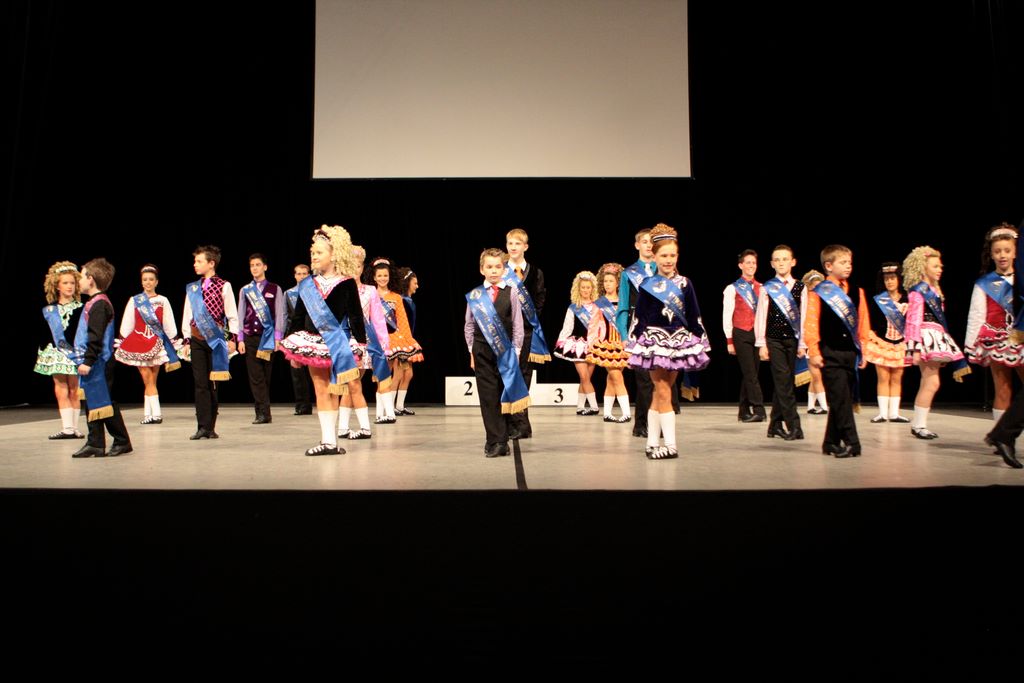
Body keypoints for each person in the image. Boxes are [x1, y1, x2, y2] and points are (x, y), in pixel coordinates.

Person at [624, 223, 710, 459]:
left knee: (661, 391)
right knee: (662, 390)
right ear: (654, 257)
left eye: (672, 255)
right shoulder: (647, 285)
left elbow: (694, 315)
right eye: (664, 255)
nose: (668, 260)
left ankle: (652, 443)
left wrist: (700, 340)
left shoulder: (685, 284)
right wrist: (632, 344)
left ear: (678, 256)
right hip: (654, 342)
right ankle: (670, 445)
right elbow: (640, 317)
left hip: (678, 343)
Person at [280, 225, 367, 456]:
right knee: (320, 390)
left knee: (334, 390)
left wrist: (361, 347)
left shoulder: (347, 282)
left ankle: (332, 441)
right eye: (313, 253)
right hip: (313, 344)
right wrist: (293, 349)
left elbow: (356, 316)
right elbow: (298, 317)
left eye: (319, 252)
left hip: (338, 343)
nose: (314, 256)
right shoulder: (307, 284)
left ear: (334, 255)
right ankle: (328, 440)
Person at [804, 245, 871, 458]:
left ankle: (831, 442)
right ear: (829, 266)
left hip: (850, 352)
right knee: (841, 399)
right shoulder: (819, 292)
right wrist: (814, 351)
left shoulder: (858, 291)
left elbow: (863, 323)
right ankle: (853, 443)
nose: (848, 266)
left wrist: (864, 350)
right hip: (829, 352)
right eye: (843, 262)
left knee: (842, 399)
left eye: (849, 262)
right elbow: (811, 323)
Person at [464, 248, 529, 457]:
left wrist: (516, 352)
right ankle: (495, 441)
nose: (493, 271)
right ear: (482, 269)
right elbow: (469, 325)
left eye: (498, 267)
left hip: (505, 350)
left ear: (504, 269)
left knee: (503, 394)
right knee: (488, 396)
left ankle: (502, 437)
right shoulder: (475, 295)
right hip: (481, 349)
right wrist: (471, 351)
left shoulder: (512, 292)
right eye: (489, 267)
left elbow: (518, 324)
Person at [903, 246, 970, 440]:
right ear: (923, 268)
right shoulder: (918, 291)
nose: (940, 269)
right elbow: (913, 320)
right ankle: (919, 425)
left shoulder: (934, 290)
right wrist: (915, 348)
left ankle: (919, 424)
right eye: (935, 266)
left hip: (936, 337)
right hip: (926, 337)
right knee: (932, 382)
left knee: (929, 382)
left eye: (940, 266)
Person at [70, 258, 132, 457]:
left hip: (99, 361)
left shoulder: (100, 305)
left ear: (91, 279)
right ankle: (95, 442)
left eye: (81, 276)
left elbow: (95, 337)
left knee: (103, 400)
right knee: (94, 401)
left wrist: (88, 361)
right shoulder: (94, 303)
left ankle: (121, 441)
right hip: (95, 360)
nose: (78, 281)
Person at [965, 224, 1024, 424]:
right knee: (1002, 389)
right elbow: (976, 315)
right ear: (991, 254)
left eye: (1007, 250)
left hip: (1021, 338)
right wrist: (970, 345)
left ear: (1015, 252)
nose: (1002, 255)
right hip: (996, 339)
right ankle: (1001, 435)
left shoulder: (1022, 279)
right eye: (997, 251)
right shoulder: (984, 283)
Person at [181, 245, 239, 440]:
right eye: (195, 261)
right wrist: (186, 340)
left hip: (215, 340)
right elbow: (187, 314)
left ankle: (210, 426)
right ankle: (202, 426)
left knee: (213, 383)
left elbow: (232, 314)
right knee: (200, 384)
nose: (195, 264)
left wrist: (232, 338)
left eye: (199, 261)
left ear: (211, 263)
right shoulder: (193, 288)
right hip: (197, 338)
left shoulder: (224, 285)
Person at [114, 264, 180, 424]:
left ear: (156, 282)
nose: (148, 282)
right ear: (141, 281)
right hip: (138, 342)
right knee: (147, 378)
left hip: (156, 341)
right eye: (145, 279)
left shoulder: (163, 300)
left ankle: (152, 415)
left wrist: (172, 340)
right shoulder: (135, 300)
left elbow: (168, 322)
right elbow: (128, 322)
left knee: (151, 380)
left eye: (151, 279)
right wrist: (123, 339)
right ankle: (152, 414)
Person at [754, 245, 807, 440]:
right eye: (777, 260)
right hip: (773, 339)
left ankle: (774, 425)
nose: (781, 263)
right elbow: (761, 316)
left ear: (793, 262)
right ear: (772, 264)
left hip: (793, 339)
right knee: (783, 380)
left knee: (784, 383)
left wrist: (802, 344)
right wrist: (761, 343)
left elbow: (803, 317)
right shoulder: (767, 287)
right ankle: (794, 425)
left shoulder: (801, 287)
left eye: (785, 259)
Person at [338, 245, 390, 440]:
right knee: (350, 385)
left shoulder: (370, 290)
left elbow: (377, 319)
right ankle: (345, 427)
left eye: (358, 266)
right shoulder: (340, 291)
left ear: (362, 268)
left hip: (364, 343)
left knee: (352, 384)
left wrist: (384, 344)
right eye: (351, 266)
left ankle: (357, 427)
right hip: (344, 342)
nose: (355, 270)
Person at [505, 228, 549, 440]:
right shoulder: (500, 270)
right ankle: (510, 421)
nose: (513, 247)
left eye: (517, 243)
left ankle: (521, 423)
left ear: (525, 247)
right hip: (503, 330)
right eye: (510, 243)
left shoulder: (536, 272)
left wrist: (526, 322)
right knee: (506, 373)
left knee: (523, 374)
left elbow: (539, 300)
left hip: (526, 331)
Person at [36, 261, 85, 439]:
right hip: (56, 353)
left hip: (75, 352)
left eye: (72, 283)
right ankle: (67, 428)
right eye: (65, 283)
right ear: (57, 285)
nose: (69, 286)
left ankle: (75, 428)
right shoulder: (49, 309)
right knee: (60, 388)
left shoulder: (82, 308)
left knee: (74, 389)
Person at [237, 253, 286, 424]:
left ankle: (262, 411)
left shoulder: (275, 289)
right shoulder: (245, 290)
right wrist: (240, 338)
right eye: (252, 265)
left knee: (266, 376)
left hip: (268, 338)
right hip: (250, 337)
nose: (255, 268)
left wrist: (278, 337)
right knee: (255, 376)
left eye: (258, 265)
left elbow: (280, 314)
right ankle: (264, 413)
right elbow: (241, 314)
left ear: (265, 267)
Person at [616, 228, 656, 437]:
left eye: (652, 242)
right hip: (637, 329)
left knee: (658, 380)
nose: (649, 245)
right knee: (643, 379)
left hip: (661, 329)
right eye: (645, 241)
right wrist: (624, 336)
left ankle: (651, 423)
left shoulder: (664, 269)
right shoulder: (628, 273)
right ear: (637, 245)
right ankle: (643, 423)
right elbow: (623, 306)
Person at [723, 249, 765, 422]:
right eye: (748, 262)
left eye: (754, 263)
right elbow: (727, 315)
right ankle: (759, 409)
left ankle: (743, 410)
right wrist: (729, 340)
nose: (751, 266)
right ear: (741, 265)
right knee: (750, 373)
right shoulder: (732, 288)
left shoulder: (762, 288)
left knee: (752, 373)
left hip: (757, 334)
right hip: (740, 333)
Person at [865, 263, 910, 424]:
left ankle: (894, 413)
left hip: (901, 343)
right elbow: (872, 321)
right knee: (883, 377)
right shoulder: (879, 300)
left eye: (892, 278)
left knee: (897, 378)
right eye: (886, 279)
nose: (889, 281)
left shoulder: (908, 299)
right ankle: (883, 413)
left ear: (899, 279)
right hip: (881, 343)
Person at [588, 262, 631, 422]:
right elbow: (593, 325)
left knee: (612, 379)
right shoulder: (599, 303)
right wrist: (591, 344)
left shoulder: (624, 301)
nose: (607, 284)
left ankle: (607, 413)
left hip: (622, 343)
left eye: (611, 281)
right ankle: (626, 413)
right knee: (616, 377)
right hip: (606, 344)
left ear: (618, 283)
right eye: (605, 281)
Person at [554, 271, 601, 415]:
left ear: (592, 289)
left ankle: (580, 406)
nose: (585, 290)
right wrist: (560, 341)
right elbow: (567, 327)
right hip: (578, 345)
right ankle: (594, 407)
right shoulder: (573, 307)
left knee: (586, 378)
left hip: (593, 345)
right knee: (584, 377)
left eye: (588, 287)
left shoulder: (598, 307)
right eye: (583, 287)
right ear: (578, 289)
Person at [284, 263, 314, 415]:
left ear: (309, 275)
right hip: (295, 335)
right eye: (299, 274)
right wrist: (283, 338)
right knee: (297, 371)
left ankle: (323, 401)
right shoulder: (289, 293)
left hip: (312, 335)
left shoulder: (316, 292)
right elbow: (284, 317)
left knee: (316, 370)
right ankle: (302, 404)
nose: (301, 277)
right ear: (294, 276)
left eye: (304, 274)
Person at [800, 270, 829, 415]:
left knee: (815, 375)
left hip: (821, 339)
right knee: (816, 375)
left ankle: (811, 406)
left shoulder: (824, 299)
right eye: (814, 286)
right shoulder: (805, 300)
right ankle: (824, 406)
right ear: (809, 286)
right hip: (809, 340)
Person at [395, 266, 419, 415]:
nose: (417, 286)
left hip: (408, 341)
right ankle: (389, 406)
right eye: (415, 283)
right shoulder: (402, 301)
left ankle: (399, 405)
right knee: (398, 374)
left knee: (408, 374)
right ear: (407, 282)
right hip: (400, 341)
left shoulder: (408, 301)